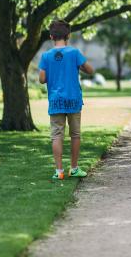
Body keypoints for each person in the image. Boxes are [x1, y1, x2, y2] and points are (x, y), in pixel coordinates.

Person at [39, 19, 94, 180]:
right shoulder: (74, 53)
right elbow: (90, 70)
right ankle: (74, 168)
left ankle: (59, 171)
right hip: (73, 100)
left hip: (56, 100)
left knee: (57, 135)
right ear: (68, 35)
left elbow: (42, 79)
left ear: (51, 36)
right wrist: (80, 66)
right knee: (75, 135)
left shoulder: (46, 56)